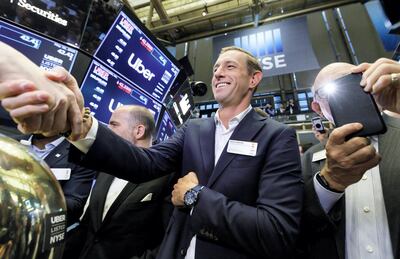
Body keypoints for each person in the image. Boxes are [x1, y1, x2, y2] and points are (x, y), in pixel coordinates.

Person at [1, 46, 304, 258]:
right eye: (215, 68)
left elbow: (276, 231)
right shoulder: (195, 130)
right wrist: (81, 126)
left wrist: (195, 195)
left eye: (230, 67)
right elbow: (143, 164)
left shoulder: (277, 136)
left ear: (254, 79)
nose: (218, 74)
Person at [299, 59, 400, 259]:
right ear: (318, 108)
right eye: (334, 90)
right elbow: (299, 222)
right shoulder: (311, 157)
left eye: (356, 83)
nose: (347, 96)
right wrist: (329, 182)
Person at [66, 105, 174, 259]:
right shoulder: (106, 169)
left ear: (139, 131)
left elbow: (164, 242)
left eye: (114, 124)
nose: (107, 128)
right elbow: (88, 225)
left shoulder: (165, 177)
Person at [16, 134, 96, 228]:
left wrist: (46, 197)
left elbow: (75, 205)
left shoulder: (80, 156)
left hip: (43, 230)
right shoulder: (9, 142)